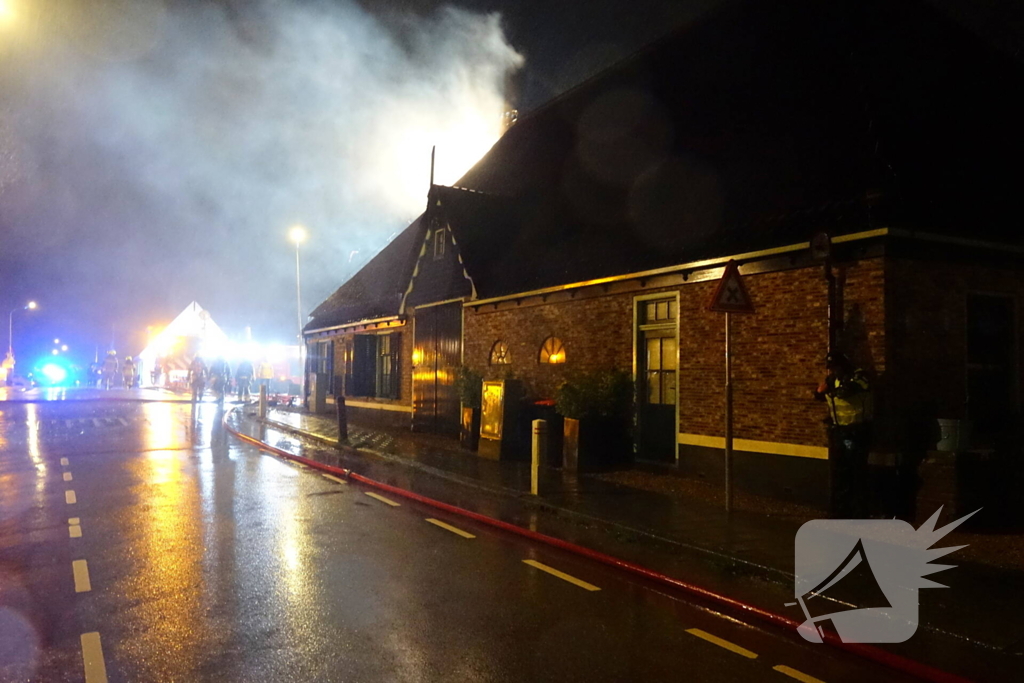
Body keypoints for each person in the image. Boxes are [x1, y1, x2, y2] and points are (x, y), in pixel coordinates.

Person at [814, 352, 873, 518]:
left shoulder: (859, 376)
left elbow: (846, 392)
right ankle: (840, 511)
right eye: (831, 368)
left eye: (836, 367)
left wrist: (828, 389)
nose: (833, 371)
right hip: (839, 431)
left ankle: (860, 513)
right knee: (840, 473)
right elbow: (818, 393)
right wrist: (822, 390)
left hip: (858, 430)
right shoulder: (833, 379)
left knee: (857, 473)